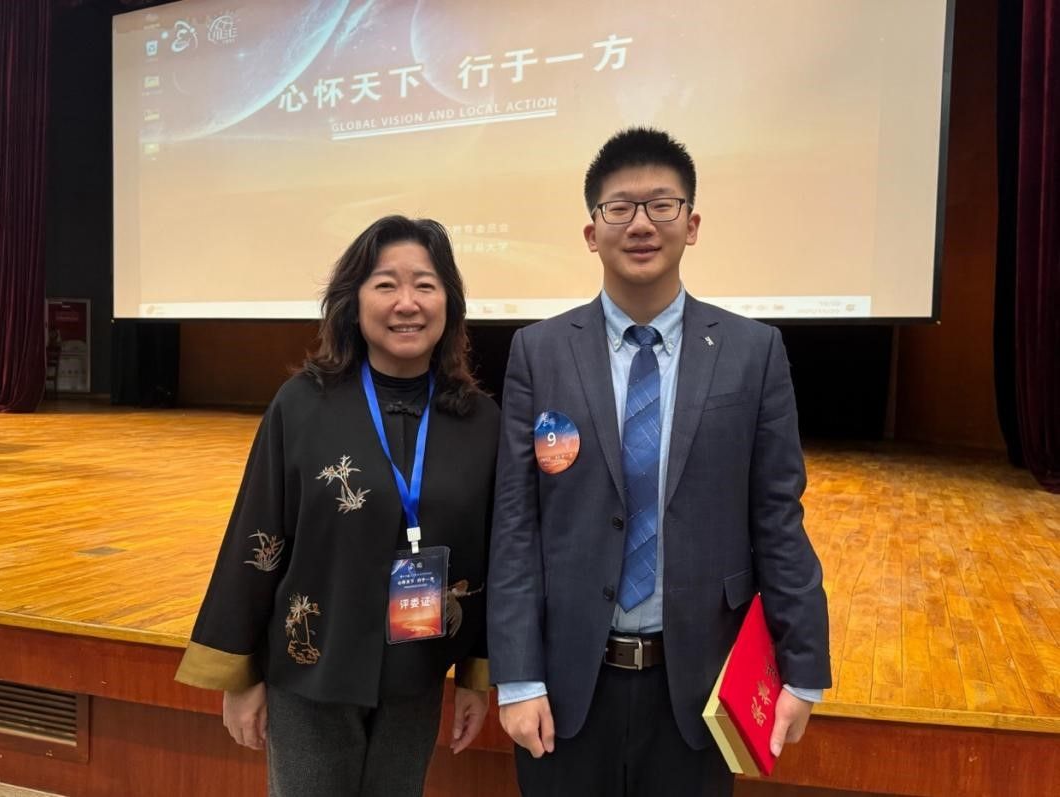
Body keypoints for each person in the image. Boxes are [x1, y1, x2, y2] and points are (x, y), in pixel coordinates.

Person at [486, 128, 831, 797]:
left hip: (698, 689)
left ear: (691, 225)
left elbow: (777, 517)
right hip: (565, 686)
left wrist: (804, 666)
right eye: (620, 207)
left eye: (661, 205)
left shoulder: (753, 352)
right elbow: (516, 523)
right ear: (592, 233)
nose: (641, 224)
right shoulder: (539, 351)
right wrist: (518, 677)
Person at [176, 215, 498, 797]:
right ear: (353, 302)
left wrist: (476, 674)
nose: (407, 303)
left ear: (449, 302)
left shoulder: (479, 421)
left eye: (425, 285)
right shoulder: (303, 405)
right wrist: (238, 673)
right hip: (311, 671)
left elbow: (492, 553)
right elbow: (258, 532)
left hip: (418, 674)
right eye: (385, 284)